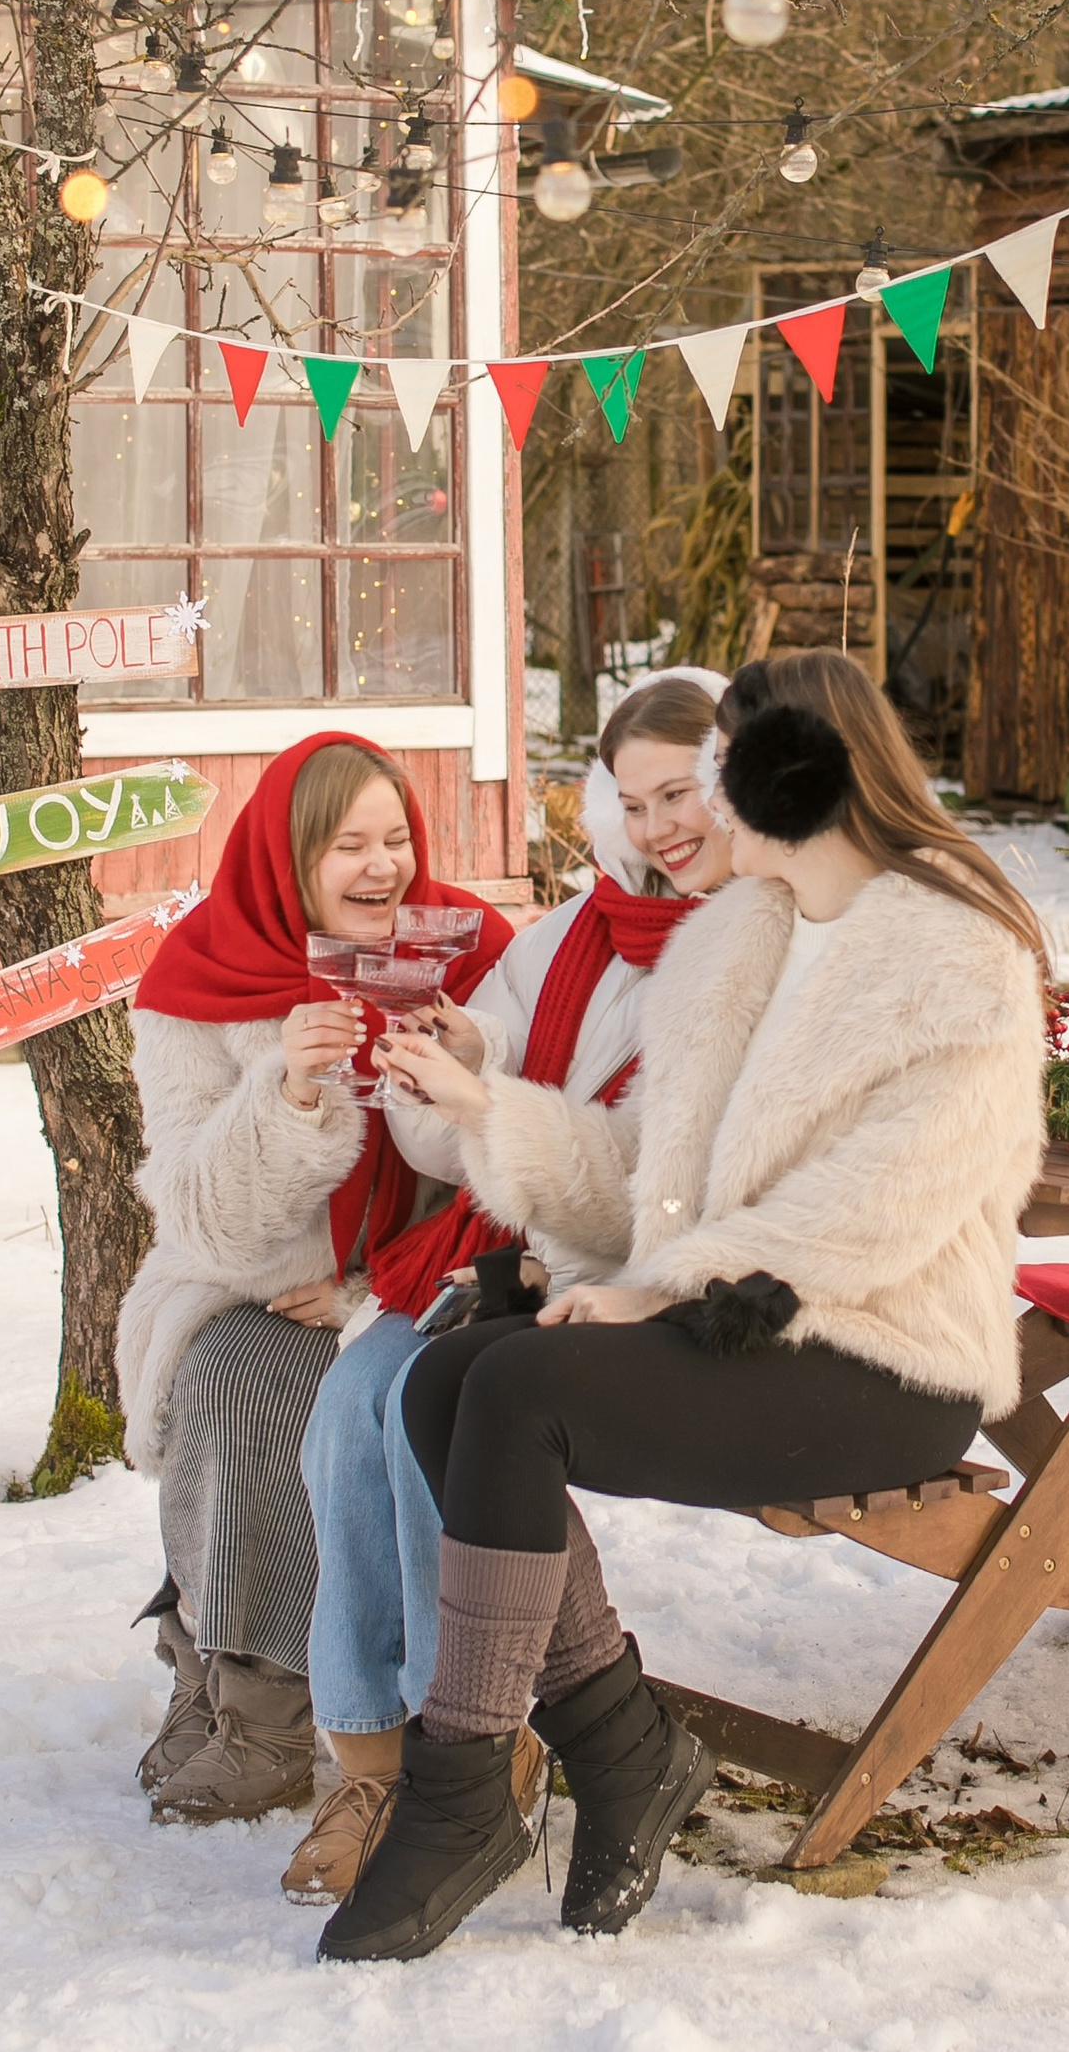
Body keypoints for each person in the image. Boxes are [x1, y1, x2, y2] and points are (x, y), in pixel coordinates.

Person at [320, 651, 1050, 1964]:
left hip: (882, 1359)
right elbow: (643, 1189)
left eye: (719, 776)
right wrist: (496, 1114)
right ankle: (624, 1750)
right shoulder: (739, 942)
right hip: (752, 1329)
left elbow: (874, 1211)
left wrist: (659, 1295)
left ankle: (461, 1793)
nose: (690, 815)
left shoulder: (955, 950)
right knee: (446, 1378)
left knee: (522, 1391)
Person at [281, 667, 733, 1905]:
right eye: (633, 804)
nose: (657, 830)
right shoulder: (566, 939)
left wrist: (499, 1112)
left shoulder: (751, 949)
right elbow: (445, 1139)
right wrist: (460, 1060)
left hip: (617, 1277)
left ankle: (466, 1756)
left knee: (432, 1414)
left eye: (680, 795)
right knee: (344, 1417)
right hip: (497, 1258)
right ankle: (367, 1764)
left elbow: (660, 1185)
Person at [118, 735, 510, 1823]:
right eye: (348, 846)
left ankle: (269, 1705)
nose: (381, 867)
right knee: (222, 1369)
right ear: (289, 857)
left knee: (274, 1385)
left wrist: (370, 1294)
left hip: (424, 1287)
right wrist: (288, 1095)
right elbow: (200, 1217)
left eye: (396, 839)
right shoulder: (201, 976)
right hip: (246, 1272)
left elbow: (522, 1153)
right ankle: (214, 1665)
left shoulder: (471, 957)